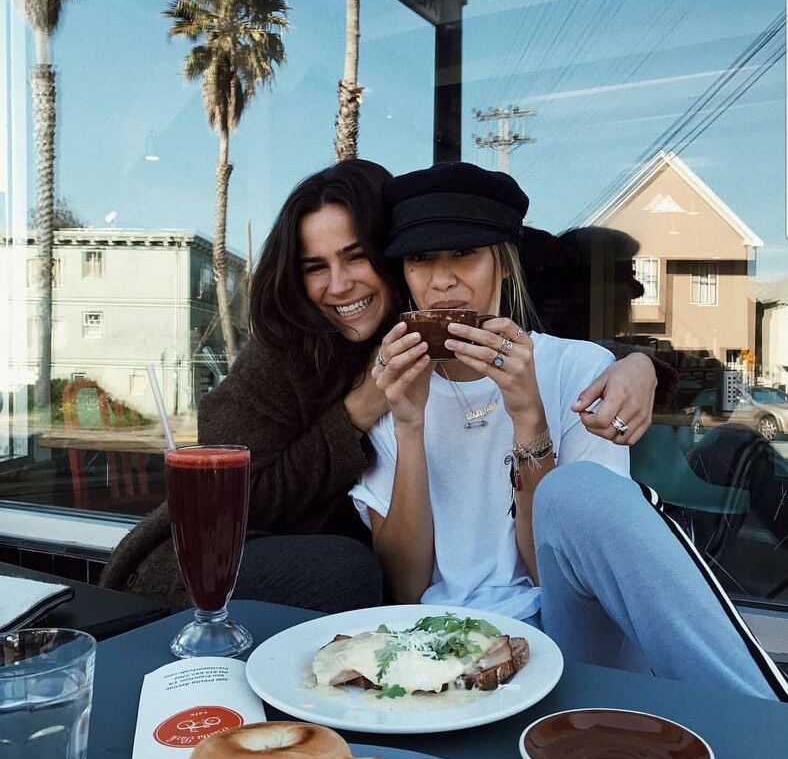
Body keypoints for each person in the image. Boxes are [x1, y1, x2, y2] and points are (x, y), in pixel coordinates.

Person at [100, 159, 658, 612]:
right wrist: (368, 407)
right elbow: (237, 503)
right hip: (212, 558)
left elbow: (551, 341)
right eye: (314, 266)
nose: (339, 286)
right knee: (344, 572)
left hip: (358, 577)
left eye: (356, 257)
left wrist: (641, 364)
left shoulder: (450, 338)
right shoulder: (295, 352)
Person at [349, 161, 787, 701]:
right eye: (420, 259)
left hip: (565, 629)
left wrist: (527, 415)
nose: (442, 279)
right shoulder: (393, 381)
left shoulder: (577, 369)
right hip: (436, 642)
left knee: (577, 490)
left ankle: (756, 712)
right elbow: (405, 587)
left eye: (464, 253)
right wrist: (410, 426)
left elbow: (546, 575)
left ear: (503, 266)